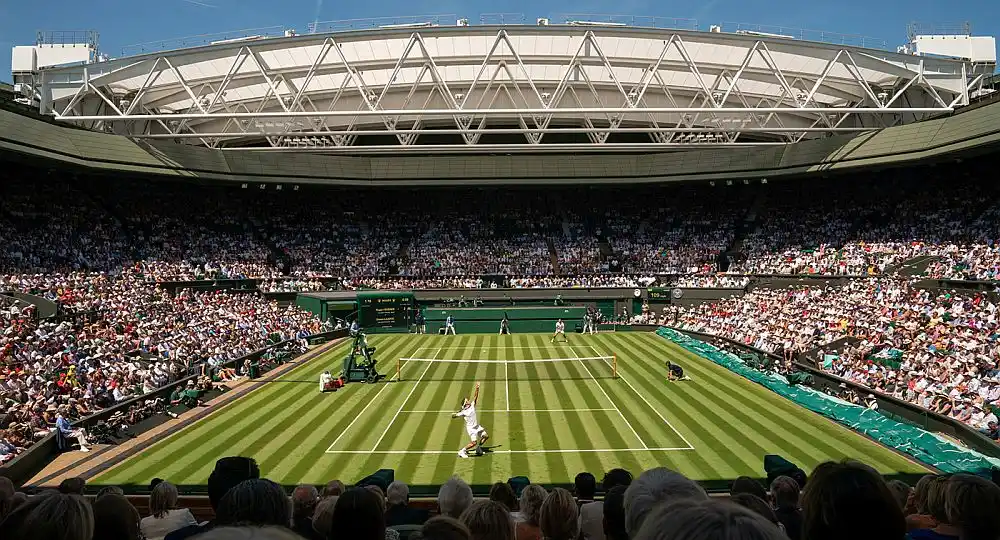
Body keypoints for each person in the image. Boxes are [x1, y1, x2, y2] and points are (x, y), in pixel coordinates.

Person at [453, 382, 489, 458]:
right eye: (467, 401)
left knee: (486, 436)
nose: (469, 401)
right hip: (471, 428)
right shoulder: (463, 412)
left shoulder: (472, 405)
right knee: (474, 443)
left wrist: (477, 388)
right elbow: (454, 416)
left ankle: (478, 448)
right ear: (465, 403)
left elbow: (475, 396)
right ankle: (462, 451)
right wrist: (457, 414)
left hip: (477, 426)